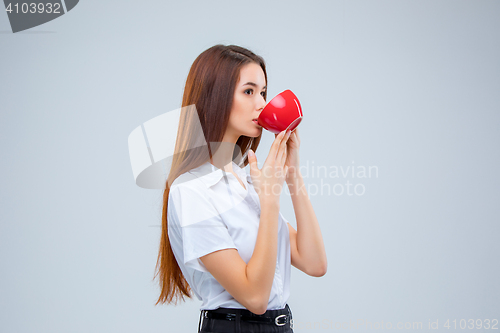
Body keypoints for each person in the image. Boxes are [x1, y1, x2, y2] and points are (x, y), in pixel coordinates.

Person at [153, 44, 327, 333]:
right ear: (215, 97)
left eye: (263, 92)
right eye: (249, 92)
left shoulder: (247, 179)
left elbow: (314, 262)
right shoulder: (192, 191)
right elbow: (255, 298)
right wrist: (270, 201)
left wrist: (292, 175)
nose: (261, 104)